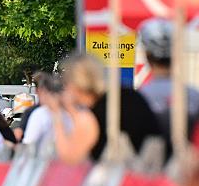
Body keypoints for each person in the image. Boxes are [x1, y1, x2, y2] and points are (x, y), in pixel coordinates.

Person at [48, 54, 161, 165]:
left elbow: (69, 158)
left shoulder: (93, 115)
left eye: (65, 84)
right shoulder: (127, 95)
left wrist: (56, 114)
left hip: (130, 175)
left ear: (74, 84)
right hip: (154, 165)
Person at [138, 19, 199, 155]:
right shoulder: (194, 96)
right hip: (186, 170)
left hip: (147, 172)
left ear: (147, 56)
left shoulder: (138, 98)